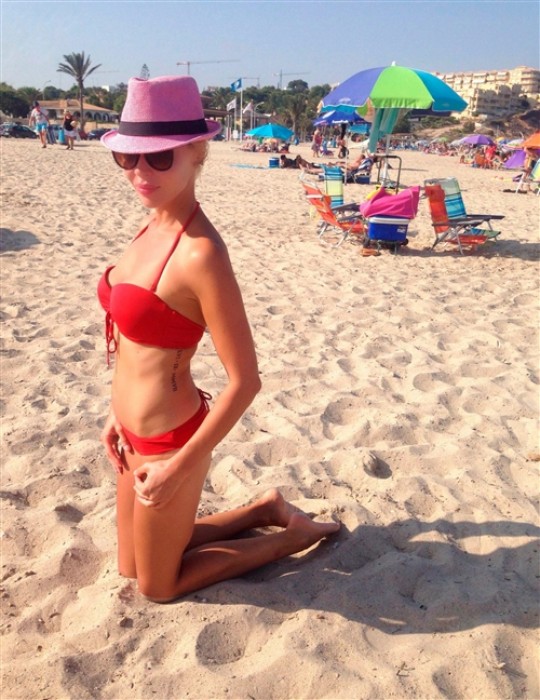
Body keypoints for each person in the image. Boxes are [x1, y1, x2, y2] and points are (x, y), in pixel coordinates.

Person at [98, 76, 339, 603]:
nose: (140, 172)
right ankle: (262, 509)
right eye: (128, 157)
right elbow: (137, 345)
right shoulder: (150, 225)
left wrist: (178, 469)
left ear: (196, 153)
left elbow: (245, 381)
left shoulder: (200, 252)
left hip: (170, 441)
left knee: (157, 586)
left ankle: (292, 537)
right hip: (131, 436)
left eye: (159, 157)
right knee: (129, 566)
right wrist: (116, 413)